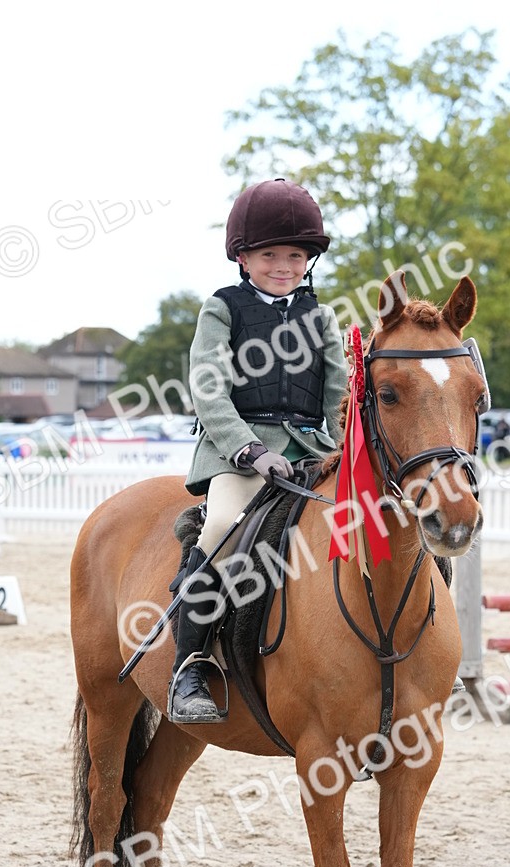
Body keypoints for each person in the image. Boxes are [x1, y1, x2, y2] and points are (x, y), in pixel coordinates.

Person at [168, 178, 349, 723]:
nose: (283, 265)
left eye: (295, 255)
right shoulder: (222, 309)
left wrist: (345, 452)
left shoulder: (323, 318)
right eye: (270, 254)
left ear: (308, 260)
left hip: (312, 451)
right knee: (223, 524)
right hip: (239, 451)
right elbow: (208, 388)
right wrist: (248, 451)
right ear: (244, 257)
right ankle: (190, 666)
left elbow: (340, 395)